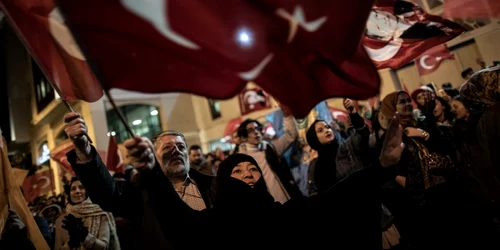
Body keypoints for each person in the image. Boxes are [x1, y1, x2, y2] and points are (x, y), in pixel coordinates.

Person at [54, 177, 120, 250]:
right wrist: (70, 244)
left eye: (81, 187)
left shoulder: (100, 214)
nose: (77, 191)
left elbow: (104, 247)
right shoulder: (61, 221)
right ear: (69, 194)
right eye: (73, 189)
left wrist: (84, 236)